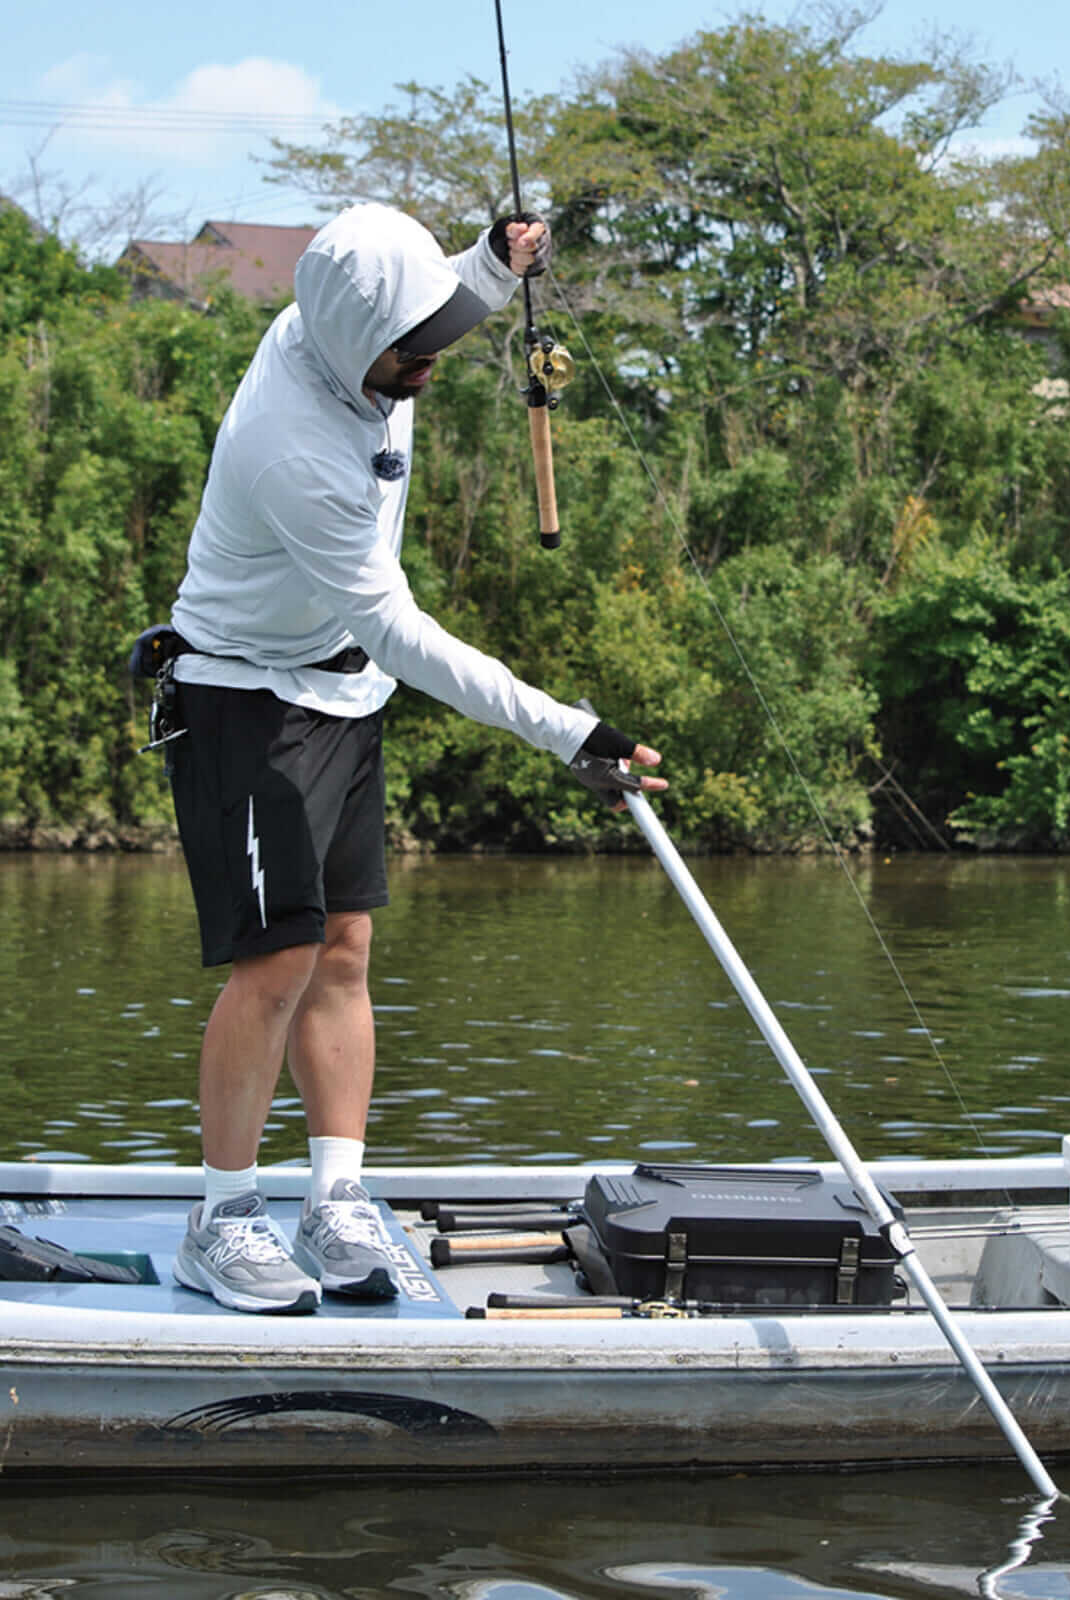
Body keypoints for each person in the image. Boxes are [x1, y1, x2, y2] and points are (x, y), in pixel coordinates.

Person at [144, 203, 665, 1315]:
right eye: (411, 348)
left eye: (436, 337)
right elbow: (401, 631)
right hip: (243, 694)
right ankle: (222, 1217)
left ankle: (335, 1199)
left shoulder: (370, 341)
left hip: (340, 689)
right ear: (347, 343)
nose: (431, 363)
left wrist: (488, 265)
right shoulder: (293, 444)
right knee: (275, 959)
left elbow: (430, 313)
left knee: (343, 948)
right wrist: (566, 727)